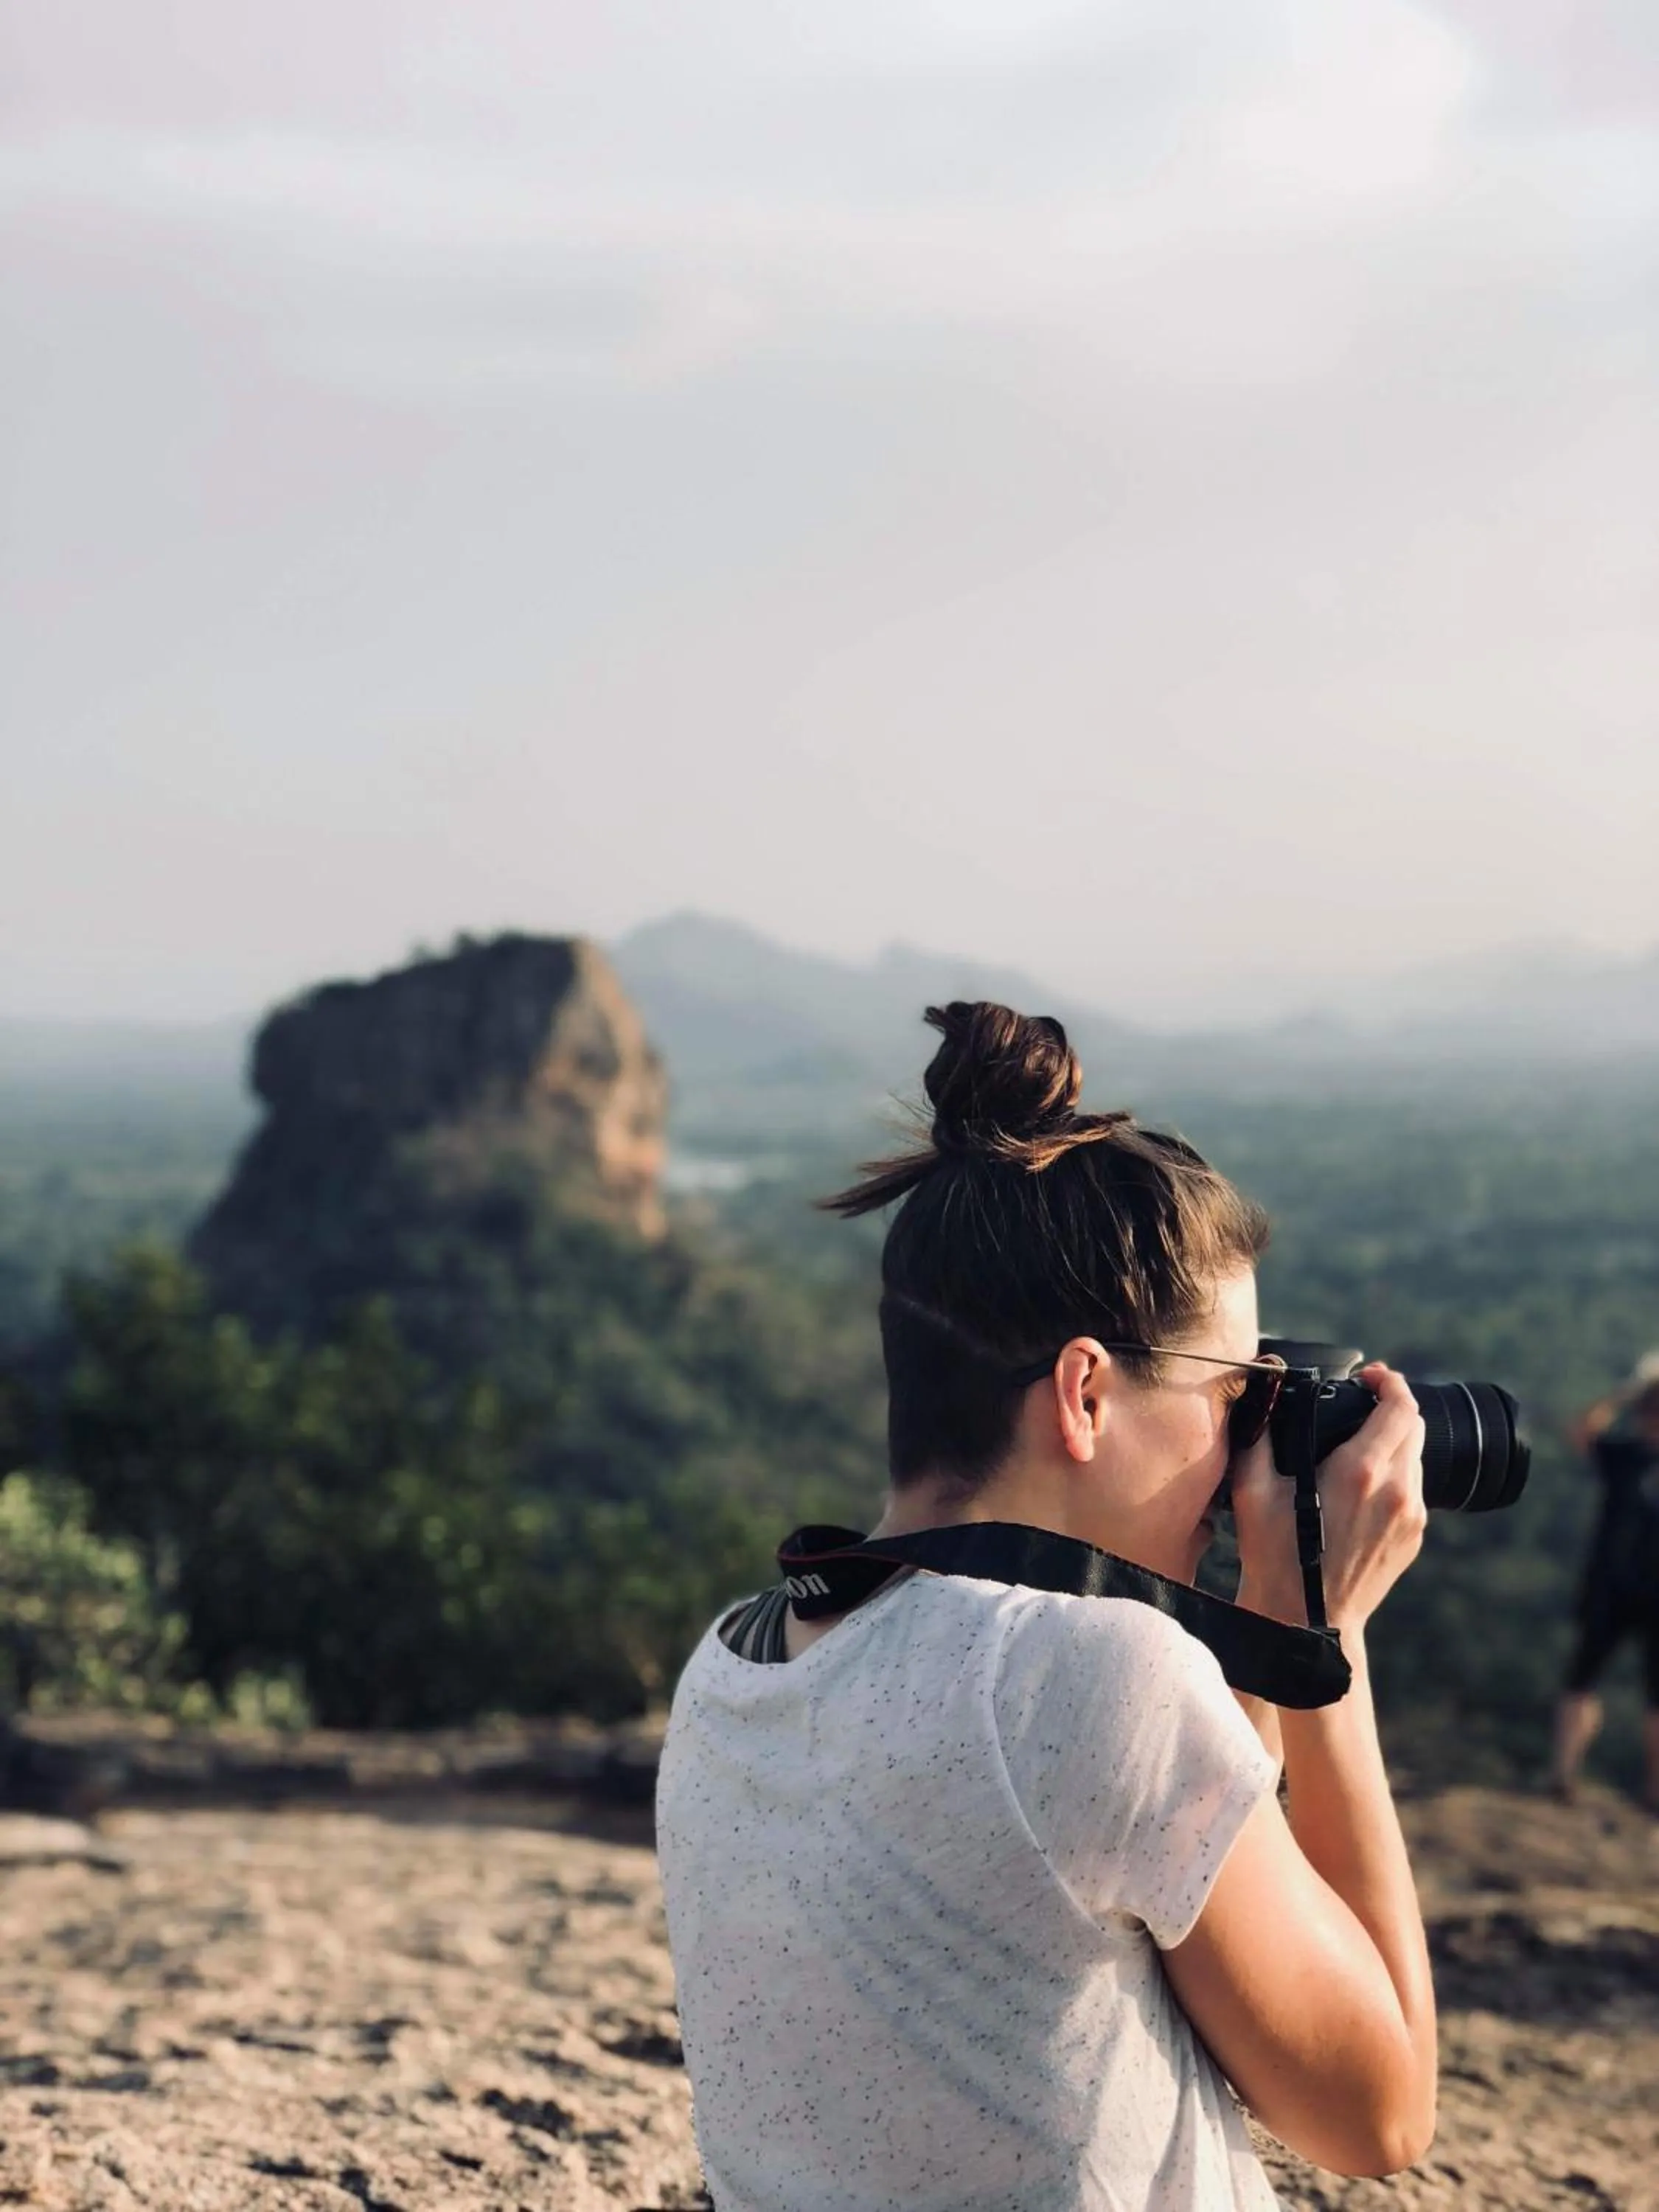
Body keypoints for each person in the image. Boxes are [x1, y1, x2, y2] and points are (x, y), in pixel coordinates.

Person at [655, 1003, 1436, 2212]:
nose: (1245, 1452)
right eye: (1235, 1393)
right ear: (1083, 1393)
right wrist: (1322, 1641)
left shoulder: (729, 1669)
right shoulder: (1098, 1680)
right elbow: (1376, 2111)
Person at [1551, 1356, 1659, 1810]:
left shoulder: (1627, 1458)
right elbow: (1583, 1429)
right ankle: (1563, 1777)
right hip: (1609, 1587)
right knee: (1582, 1682)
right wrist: (1630, 1389)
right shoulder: (1625, 1456)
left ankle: (1655, 1790)